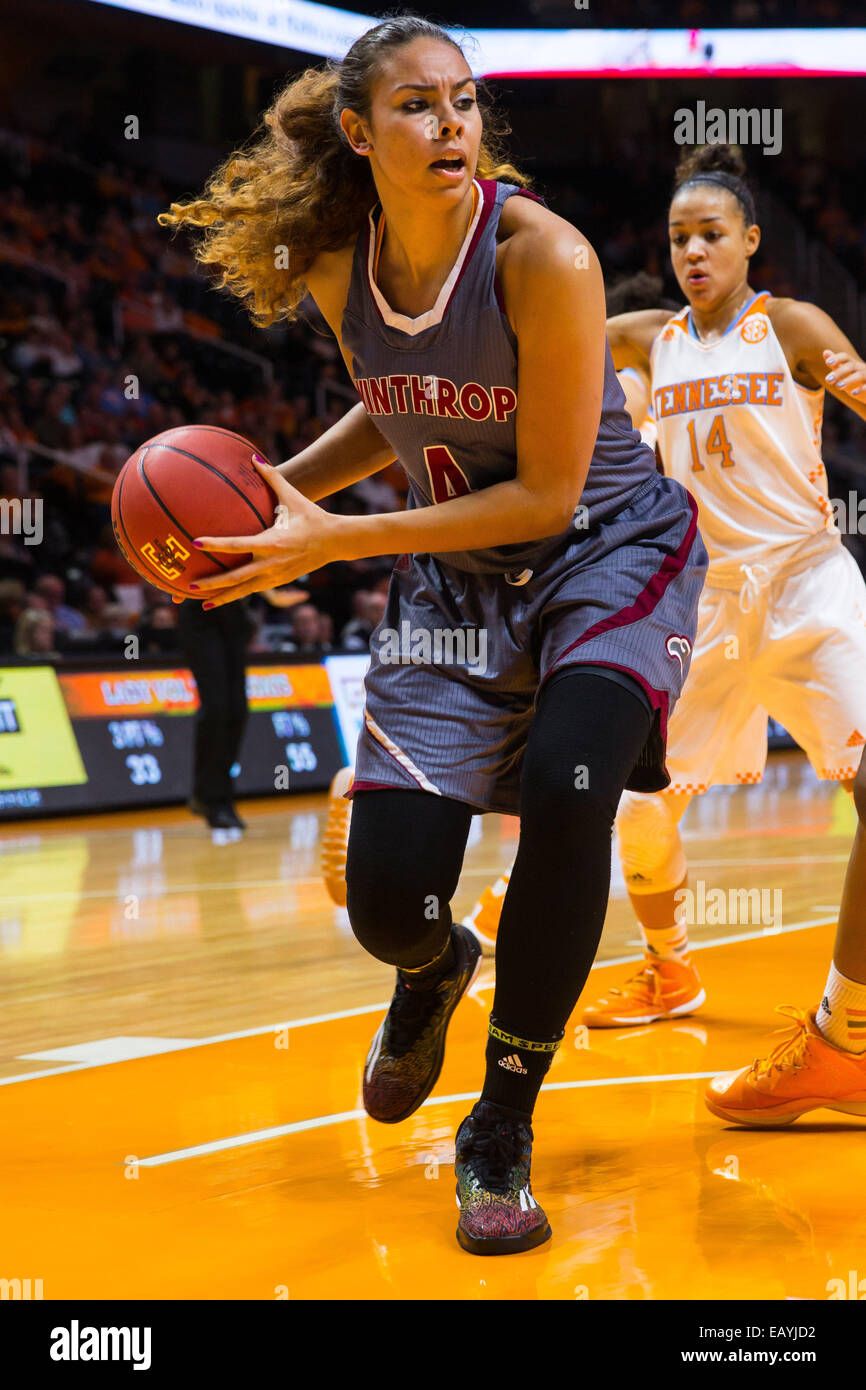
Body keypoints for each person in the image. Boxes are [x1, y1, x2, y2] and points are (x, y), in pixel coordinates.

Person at [159, 13, 706, 1252]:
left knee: (571, 790)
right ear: (359, 133)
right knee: (386, 902)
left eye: (463, 101)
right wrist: (277, 501)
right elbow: (392, 403)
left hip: (603, 553)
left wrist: (328, 542)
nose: (450, 123)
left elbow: (548, 496)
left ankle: (499, 1122)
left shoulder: (542, 258)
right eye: (417, 105)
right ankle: (432, 966)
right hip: (454, 580)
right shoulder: (333, 263)